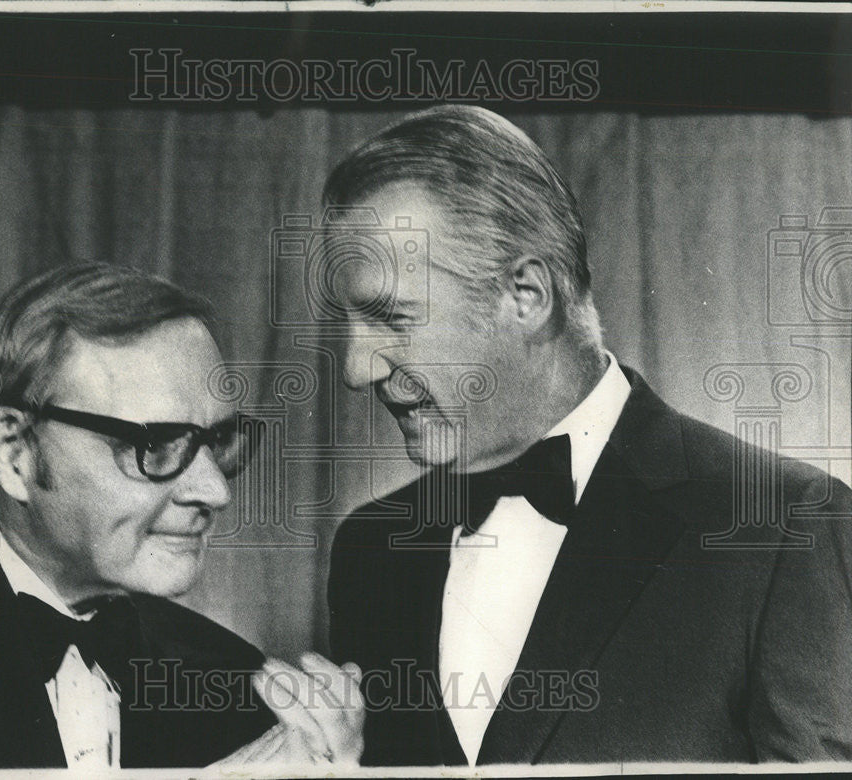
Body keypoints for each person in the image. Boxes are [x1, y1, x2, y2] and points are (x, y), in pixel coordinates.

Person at [325, 105, 852, 765]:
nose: (355, 368)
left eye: (392, 317)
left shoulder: (783, 528)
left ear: (527, 293)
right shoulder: (371, 552)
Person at [0, 264, 362, 769]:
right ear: (14, 453)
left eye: (219, 441)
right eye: (155, 443)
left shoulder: (234, 678)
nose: (215, 491)